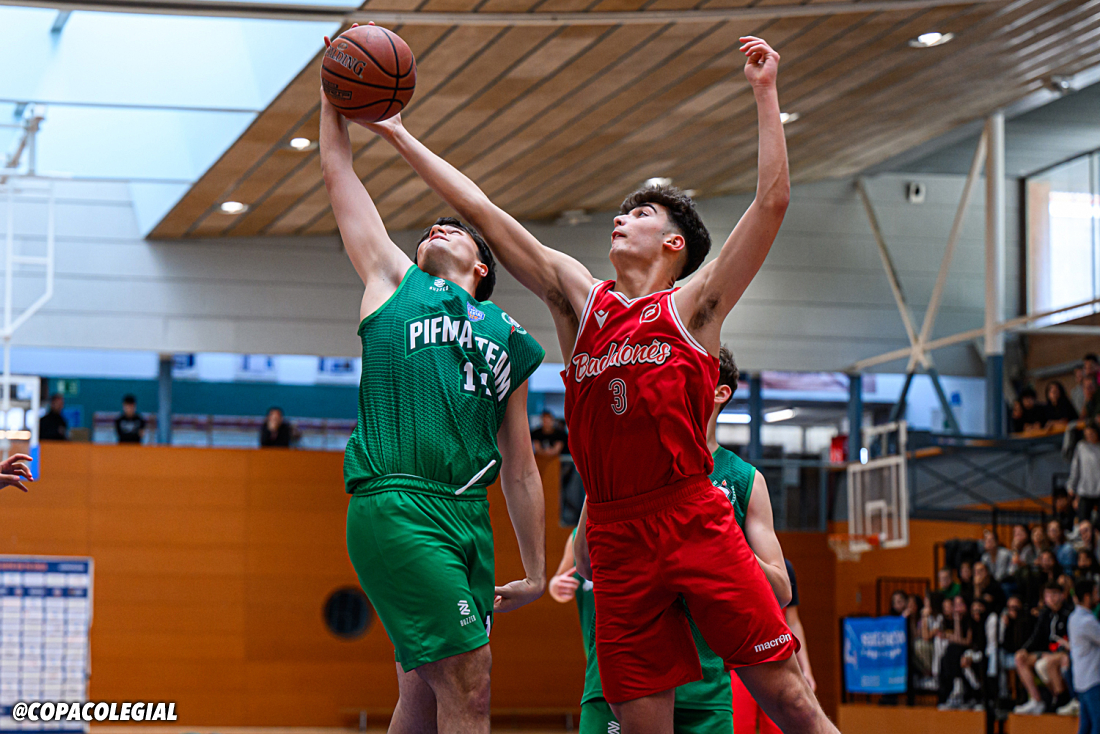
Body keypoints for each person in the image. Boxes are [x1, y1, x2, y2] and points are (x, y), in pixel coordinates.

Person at [368, 32, 834, 734]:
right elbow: (487, 212)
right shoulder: (580, 302)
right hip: (615, 535)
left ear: (675, 244)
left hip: (693, 517)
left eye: (641, 213)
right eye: (623, 210)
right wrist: (399, 134)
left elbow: (771, 202)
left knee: (790, 698)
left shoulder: (693, 306)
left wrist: (766, 94)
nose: (622, 217)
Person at [318, 70, 548, 734]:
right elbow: (340, 178)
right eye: (432, 228)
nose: (438, 229)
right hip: (397, 503)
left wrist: (534, 569)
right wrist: (331, 94)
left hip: (467, 519)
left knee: (424, 693)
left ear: (482, 268)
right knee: (472, 684)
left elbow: (523, 466)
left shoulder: (510, 337)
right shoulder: (393, 282)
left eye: (455, 230)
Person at [547, 345, 793, 734]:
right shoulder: (628, 459)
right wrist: (601, 481)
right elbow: (585, 564)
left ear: (719, 392)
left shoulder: (745, 480)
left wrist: (715, 539)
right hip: (622, 681)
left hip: (704, 692)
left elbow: (780, 591)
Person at [1014, 582, 1072, 714]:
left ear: (1062, 596)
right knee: (1020, 658)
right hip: (1047, 651)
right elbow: (1036, 636)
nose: (1051, 598)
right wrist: (1025, 649)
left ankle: (1061, 699)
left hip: (1063, 652)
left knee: (1045, 664)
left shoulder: (1069, 613)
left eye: (1054, 594)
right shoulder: (1045, 613)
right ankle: (1036, 700)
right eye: (1047, 595)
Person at [1070, 578, 1100, 732]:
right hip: (1092, 679)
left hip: (1082, 679)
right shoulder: (1086, 621)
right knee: (1097, 724)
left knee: (1086, 725)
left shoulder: (1074, 617)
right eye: (1096, 593)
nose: (1098, 597)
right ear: (1087, 597)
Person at [1071, 422, 1100, 525]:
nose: (1089, 437)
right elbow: (1075, 468)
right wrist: (1072, 486)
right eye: (1087, 435)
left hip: (1098, 488)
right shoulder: (1081, 447)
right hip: (1085, 489)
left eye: (1091, 434)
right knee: (1083, 522)